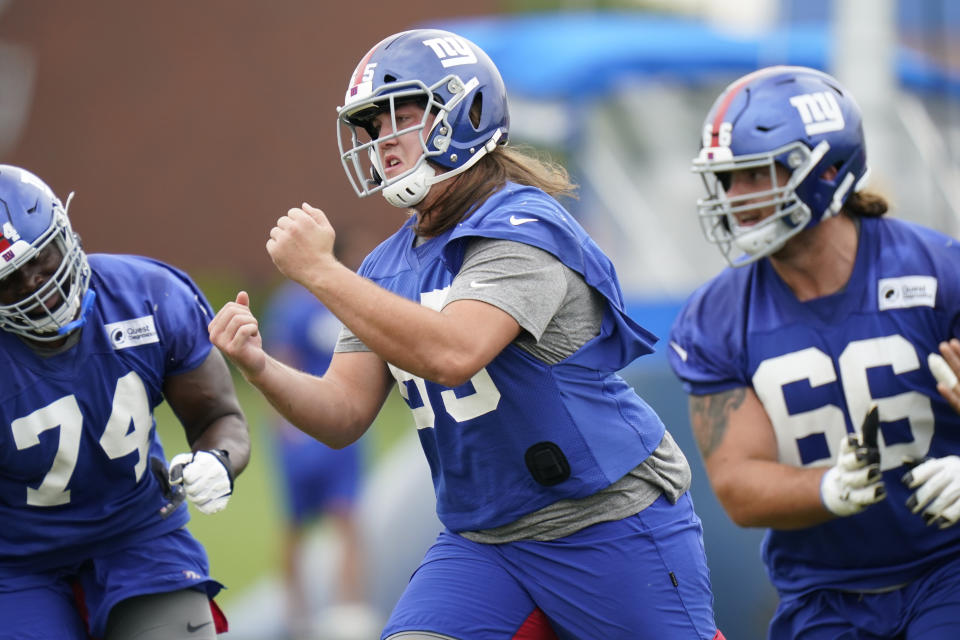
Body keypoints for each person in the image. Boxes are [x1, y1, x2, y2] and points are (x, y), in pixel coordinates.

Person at [209, 28, 724, 640]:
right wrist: (260, 365)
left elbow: (453, 352)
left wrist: (321, 272)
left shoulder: (523, 225)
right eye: (373, 125)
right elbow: (342, 413)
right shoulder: (385, 266)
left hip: (604, 522)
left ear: (465, 112)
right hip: (484, 541)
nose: (382, 139)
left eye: (402, 113)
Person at [668, 64, 960, 639]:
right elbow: (739, 486)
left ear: (827, 168)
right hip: (822, 592)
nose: (737, 198)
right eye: (727, 180)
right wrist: (828, 488)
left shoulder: (939, 273)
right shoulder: (716, 318)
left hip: (947, 569)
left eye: (755, 173)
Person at [0, 164, 250, 639]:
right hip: (17, 562)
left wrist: (217, 461)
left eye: (42, 256)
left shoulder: (149, 298)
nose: (35, 282)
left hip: (140, 535)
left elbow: (219, 415)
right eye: (11, 276)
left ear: (66, 233)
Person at [261, 279, 376, 639]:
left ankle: (349, 611)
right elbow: (279, 360)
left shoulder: (348, 298)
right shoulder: (292, 306)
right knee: (293, 524)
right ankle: (297, 614)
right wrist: (284, 428)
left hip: (344, 430)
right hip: (300, 431)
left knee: (348, 518)